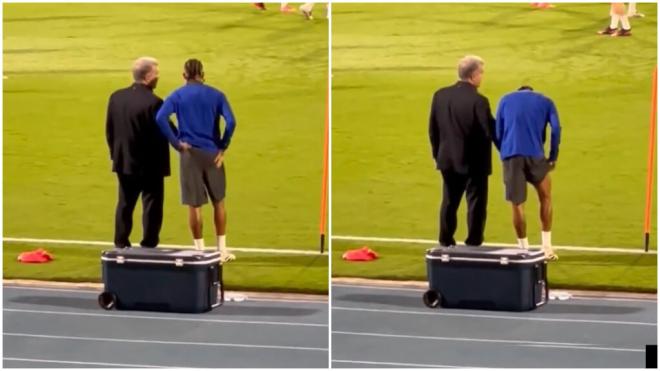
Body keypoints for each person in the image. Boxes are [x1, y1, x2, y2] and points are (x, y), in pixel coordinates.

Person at [156, 59, 237, 262]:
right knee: (219, 202)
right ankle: (222, 251)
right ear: (203, 74)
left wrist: (176, 142)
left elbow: (160, 118)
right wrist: (223, 146)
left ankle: (200, 252)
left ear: (184, 76)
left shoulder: (178, 95)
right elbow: (231, 121)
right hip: (213, 155)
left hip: (189, 155)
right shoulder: (217, 95)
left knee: (195, 205)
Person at [105, 57, 173, 249]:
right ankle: (149, 244)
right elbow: (165, 132)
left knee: (125, 204)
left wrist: (115, 155)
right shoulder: (155, 102)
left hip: (124, 161)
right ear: (148, 76)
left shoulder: (116, 97)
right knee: (152, 206)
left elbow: (110, 130)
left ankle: (120, 242)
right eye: (156, 73)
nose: (158, 77)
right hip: (150, 165)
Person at [428, 55, 495, 247]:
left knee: (449, 201)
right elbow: (487, 132)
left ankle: (445, 239)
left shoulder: (440, 95)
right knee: (476, 203)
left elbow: (433, 129)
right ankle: (474, 241)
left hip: (447, 159)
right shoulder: (479, 100)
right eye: (481, 73)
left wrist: (438, 154)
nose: (482, 77)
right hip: (475, 163)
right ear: (473, 75)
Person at [494, 86, 561, 260]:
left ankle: (523, 249)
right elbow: (556, 129)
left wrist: (505, 152)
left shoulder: (505, 99)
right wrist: (552, 157)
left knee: (517, 204)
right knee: (546, 197)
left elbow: (497, 131)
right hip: (536, 156)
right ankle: (547, 248)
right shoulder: (546, 101)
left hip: (512, 156)